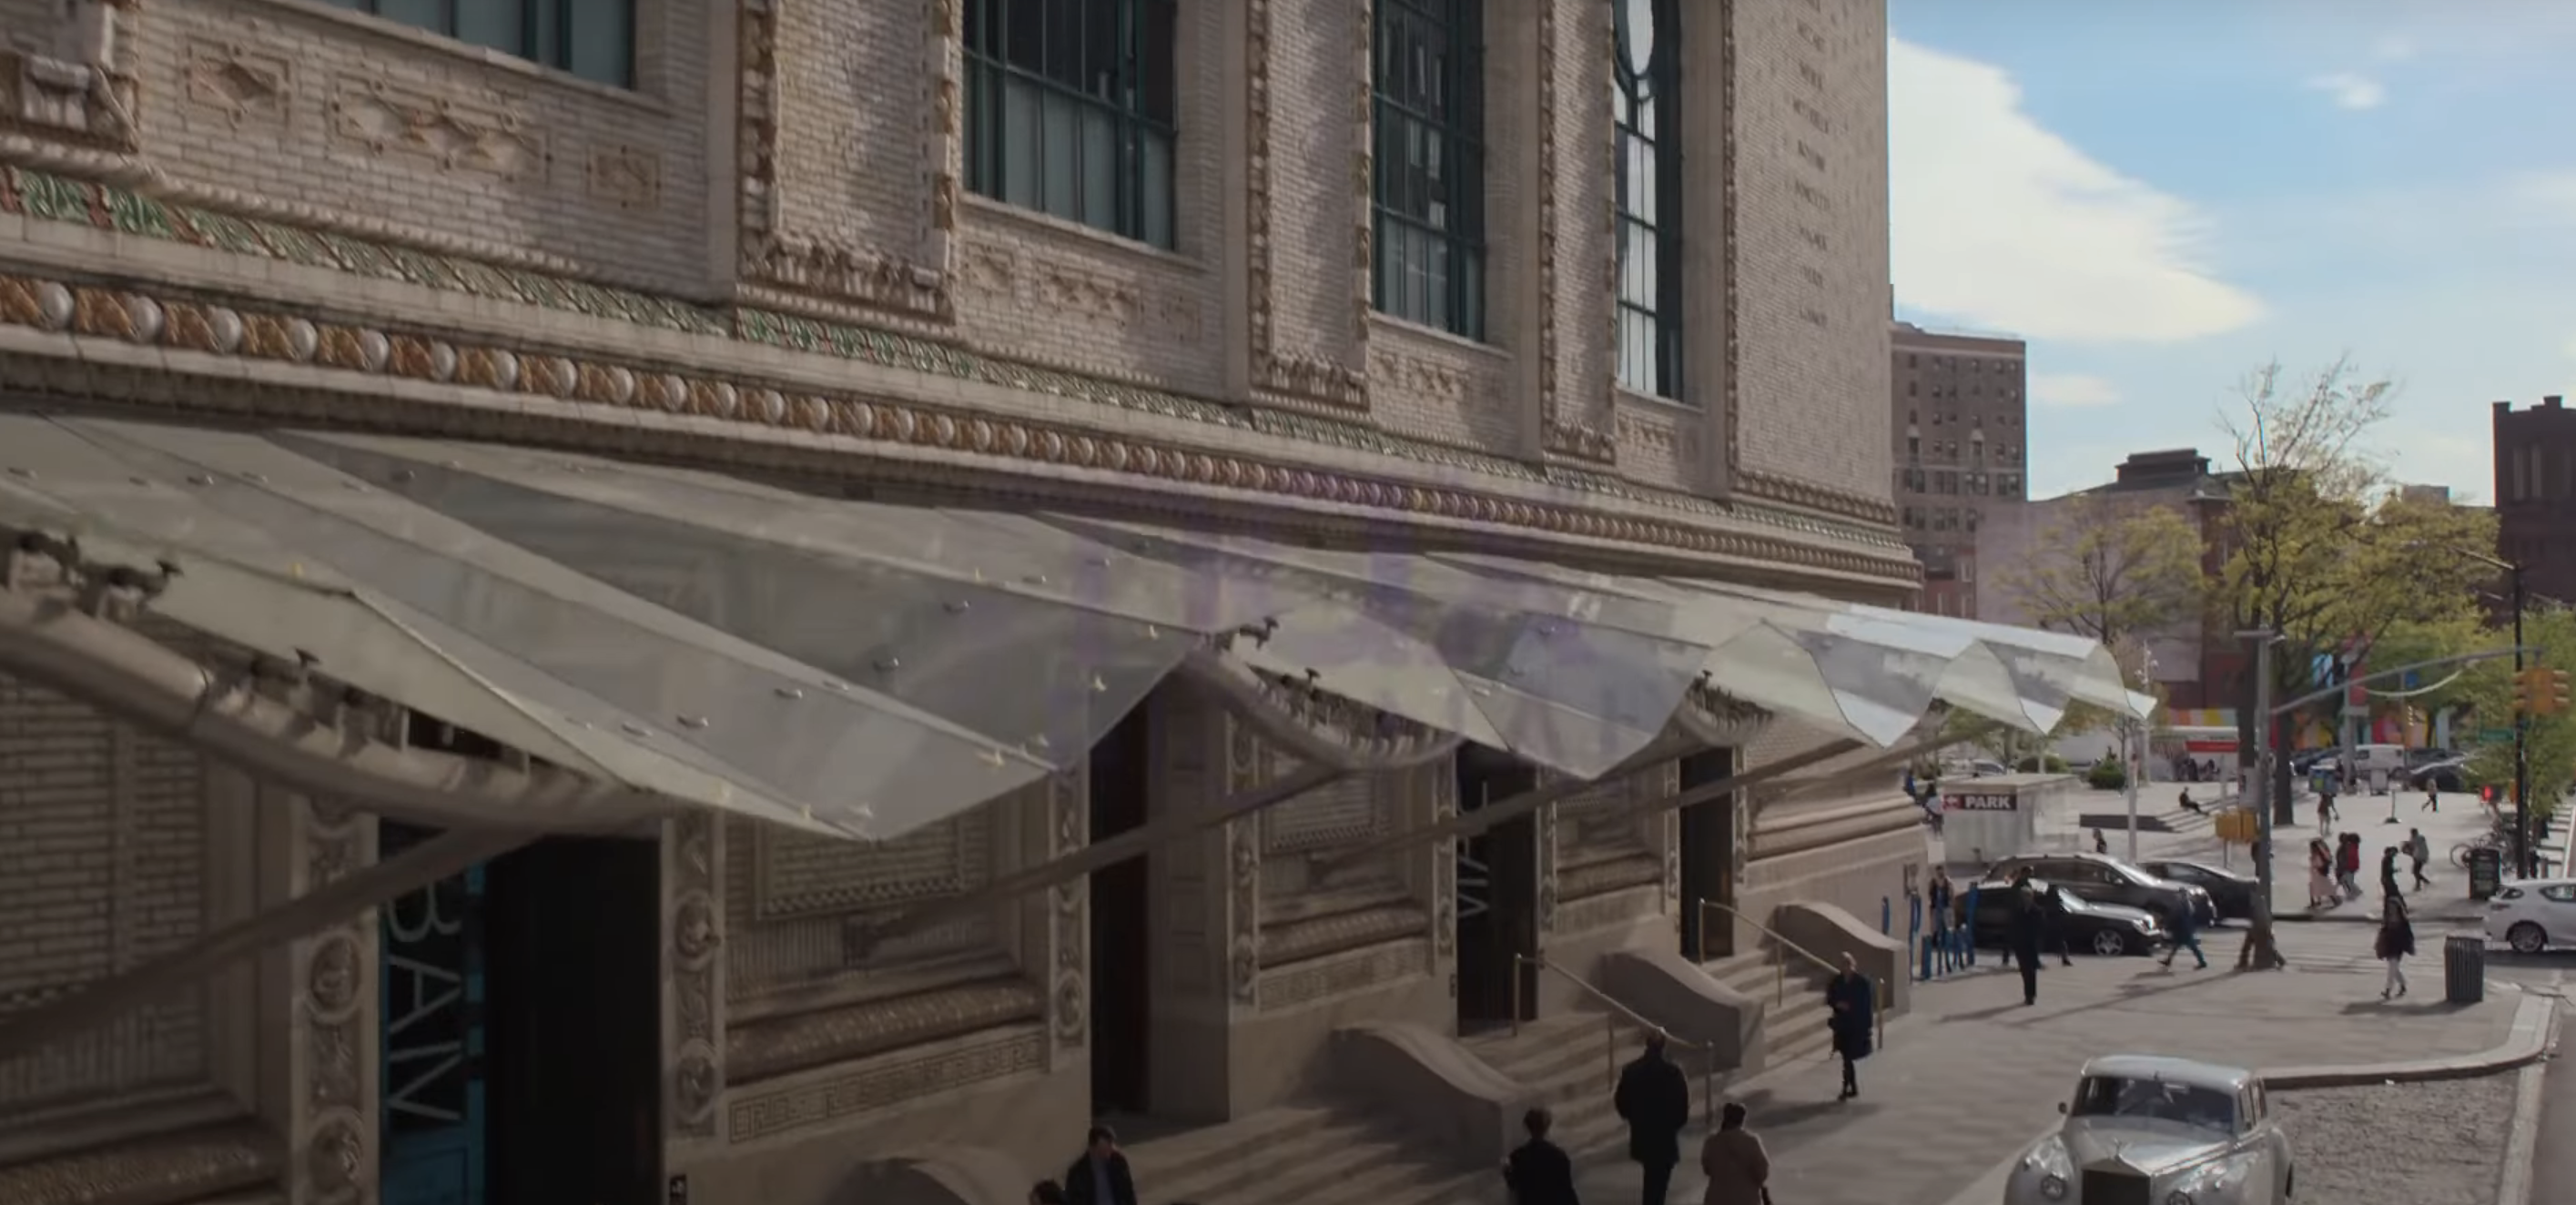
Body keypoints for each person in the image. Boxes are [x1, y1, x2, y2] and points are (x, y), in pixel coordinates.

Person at [1614, 1030, 1691, 1205]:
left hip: (1642, 1131)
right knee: (1660, 1178)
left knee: (1650, 1174)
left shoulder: (1632, 1070)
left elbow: (1621, 1101)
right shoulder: (1673, 1072)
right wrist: (1675, 1124)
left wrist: (1632, 1118)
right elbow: (1682, 1104)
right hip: (1665, 1134)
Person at [1503, 1107, 1582, 1205]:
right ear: (1547, 1126)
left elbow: (1513, 1185)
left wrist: (1506, 1172)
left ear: (1527, 1127)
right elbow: (1567, 1191)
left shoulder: (1517, 1156)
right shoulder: (1559, 1156)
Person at [1699, 1102, 1771, 1205]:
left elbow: (1707, 1169)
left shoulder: (1712, 1142)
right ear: (1742, 1120)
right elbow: (1762, 1172)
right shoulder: (1751, 1141)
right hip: (1747, 1199)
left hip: (1717, 1199)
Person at [1825, 953, 1876, 1100]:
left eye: (1848, 964)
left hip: (1856, 1024)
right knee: (1846, 1057)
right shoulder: (1837, 981)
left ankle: (1848, 1087)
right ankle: (1849, 1087)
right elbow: (1830, 998)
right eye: (1843, 965)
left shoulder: (1862, 983)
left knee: (1848, 1058)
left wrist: (1866, 1025)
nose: (1846, 968)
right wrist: (1837, 1004)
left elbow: (1866, 1005)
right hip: (1842, 1025)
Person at [1062, 1125, 1139, 1205]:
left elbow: (1129, 1193)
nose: (1110, 1149)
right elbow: (1074, 1200)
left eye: (1111, 1144)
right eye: (1105, 1146)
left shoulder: (1119, 1162)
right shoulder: (1078, 1173)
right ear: (1092, 1147)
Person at [2377, 892, 2416, 1000]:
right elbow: (2383, 932)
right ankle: (2403, 985)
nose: (2391, 909)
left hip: (2398, 946)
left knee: (2392, 967)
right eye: (2389, 907)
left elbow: (2408, 935)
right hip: (2389, 945)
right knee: (2394, 968)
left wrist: (2410, 946)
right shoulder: (2387, 919)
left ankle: (2388, 990)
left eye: (2393, 907)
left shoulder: (2403, 920)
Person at [2011, 883, 2044, 1005]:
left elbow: (2041, 929)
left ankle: (2031, 995)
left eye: (2027, 896)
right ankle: (2027, 994)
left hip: (2032, 945)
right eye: (2023, 896)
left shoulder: (2037, 911)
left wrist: (2039, 944)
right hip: (2021, 946)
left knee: (2031, 971)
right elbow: (2013, 927)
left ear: (2031, 897)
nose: (2025, 899)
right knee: (2024, 971)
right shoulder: (2018, 911)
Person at [2157, 889, 2207, 970]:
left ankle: (2202, 962)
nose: (2177, 896)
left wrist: (2167, 925)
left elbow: (2175, 917)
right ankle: (2168, 960)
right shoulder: (2188, 904)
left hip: (2183, 929)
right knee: (2177, 946)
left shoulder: (2181, 905)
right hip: (2185, 928)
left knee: (2192, 946)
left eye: (2179, 894)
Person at [2307, 839, 2334, 909]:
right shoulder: (2316, 855)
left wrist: (2316, 868)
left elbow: (2320, 865)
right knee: (2313, 888)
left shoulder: (2318, 856)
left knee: (2323, 889)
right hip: (2315, 876)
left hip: (2318, 875)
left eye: (2311, 847)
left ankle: (2334, 901)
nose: (2310, 849)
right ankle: (2315, 902)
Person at [2409, 827, 2432, 891]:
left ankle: (2419, 885)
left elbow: (2411, 846)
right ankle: (2425, 881)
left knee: (2415, 871)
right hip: (2422, 856)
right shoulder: (2421, 837)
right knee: (2416, 871)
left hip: (2419, 857)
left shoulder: (2414, 839)